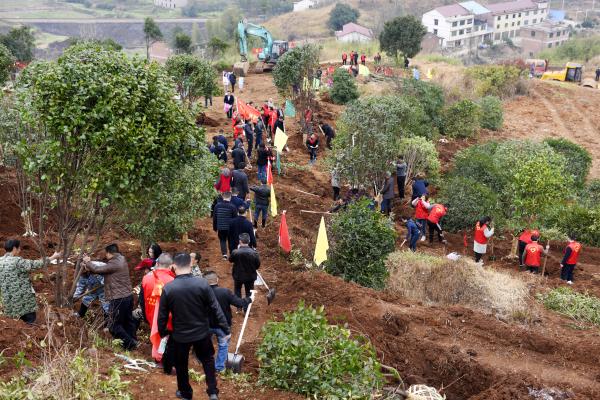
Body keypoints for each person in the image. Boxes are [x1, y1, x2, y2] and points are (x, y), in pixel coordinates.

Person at [157, 252, 229, 400]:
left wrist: (163, 332)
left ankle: (186, 394)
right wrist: (225, 328)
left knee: (181, 364)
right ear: (190, 265)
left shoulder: (169, 288)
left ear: (173, 266)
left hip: (180, 334)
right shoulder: (202, 283)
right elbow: (216, 308)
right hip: (202, 332)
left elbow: (162, 315)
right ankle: (213, 392)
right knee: (208, 360)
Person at [84, 244, 138, 350]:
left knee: (113, 326)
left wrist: (87, 262)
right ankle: (132, 344)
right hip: (127, 296)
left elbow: (97, 269)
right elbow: (105, 269)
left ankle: (131, 343)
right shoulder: (121, 259)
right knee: (128, 321)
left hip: (118, 298)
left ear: (109, 253)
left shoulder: (115, 263)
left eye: (106, 254)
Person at [0, 239, 61, 324]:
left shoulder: (0, 261)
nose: (20, 250)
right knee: (29, 321)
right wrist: (52, 257)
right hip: (22, 300)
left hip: (9, 301)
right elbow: (35, 264)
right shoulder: (17, 261)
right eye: (19, 248)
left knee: (15, 322)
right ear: (14, 248)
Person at [204, 271, 252, 373]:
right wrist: (249, 299)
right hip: (222, 325)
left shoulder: (201, 293)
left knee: (204, 344)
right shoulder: (225, 292)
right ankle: (219, 367)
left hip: (206, 325)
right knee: (223, 345)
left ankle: (204, 362)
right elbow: (239, 302)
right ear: (217, 280)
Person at [140, 253, 176, 370]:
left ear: (157, 263)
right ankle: (165, 361)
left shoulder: (146, 278)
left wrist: (145, 315)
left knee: (157, 336)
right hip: (168, 318)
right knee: (167, 339)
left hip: (150, 314)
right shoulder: (172, 280)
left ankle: (158, 359)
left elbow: (141, 299)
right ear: (171, 266)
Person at [229, 233, 261, 299]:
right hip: (250, 276)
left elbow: (230, 260)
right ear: (249, 241)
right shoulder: (254, 253)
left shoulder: (235, 252)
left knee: (237, 290)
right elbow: (257, 265)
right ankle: (247, 307)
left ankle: (238, 306)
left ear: (240, 241)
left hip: (238, 275)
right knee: (249, 292)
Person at [212, 192, 238, 260]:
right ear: (230, 198)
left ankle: (224, 255)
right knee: (231, 240)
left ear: (223, 197)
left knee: (222, 240)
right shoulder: (233, 207)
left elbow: (215, 217)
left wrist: (215, 227)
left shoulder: (217, 206)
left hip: (221, 227)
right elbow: (235, 219)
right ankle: (232, 254)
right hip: (230, 227)